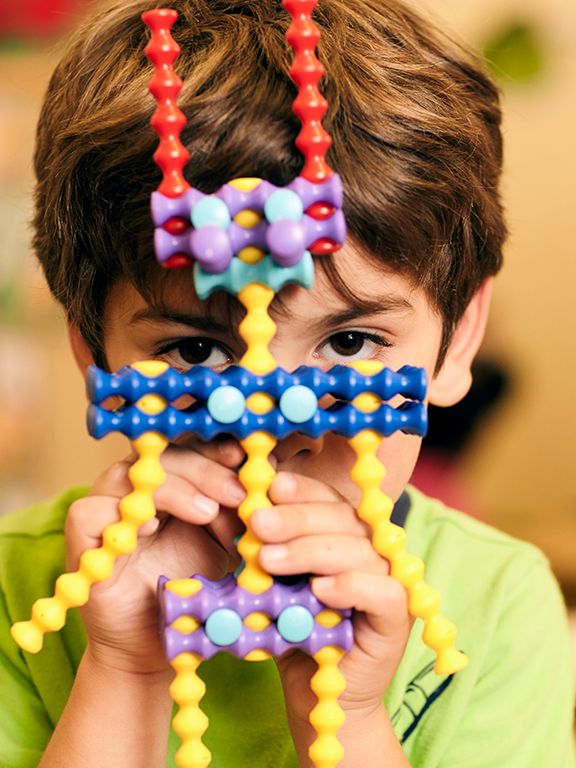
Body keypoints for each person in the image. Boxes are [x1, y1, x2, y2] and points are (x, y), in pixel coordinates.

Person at [0, 0, 574, 766]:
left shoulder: (499, 604)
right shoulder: (19, 593)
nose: (267, 434)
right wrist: (127, 665)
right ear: (96, 361)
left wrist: (352, 718)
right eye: (196, 356)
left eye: (350, 342)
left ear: (456, 340)